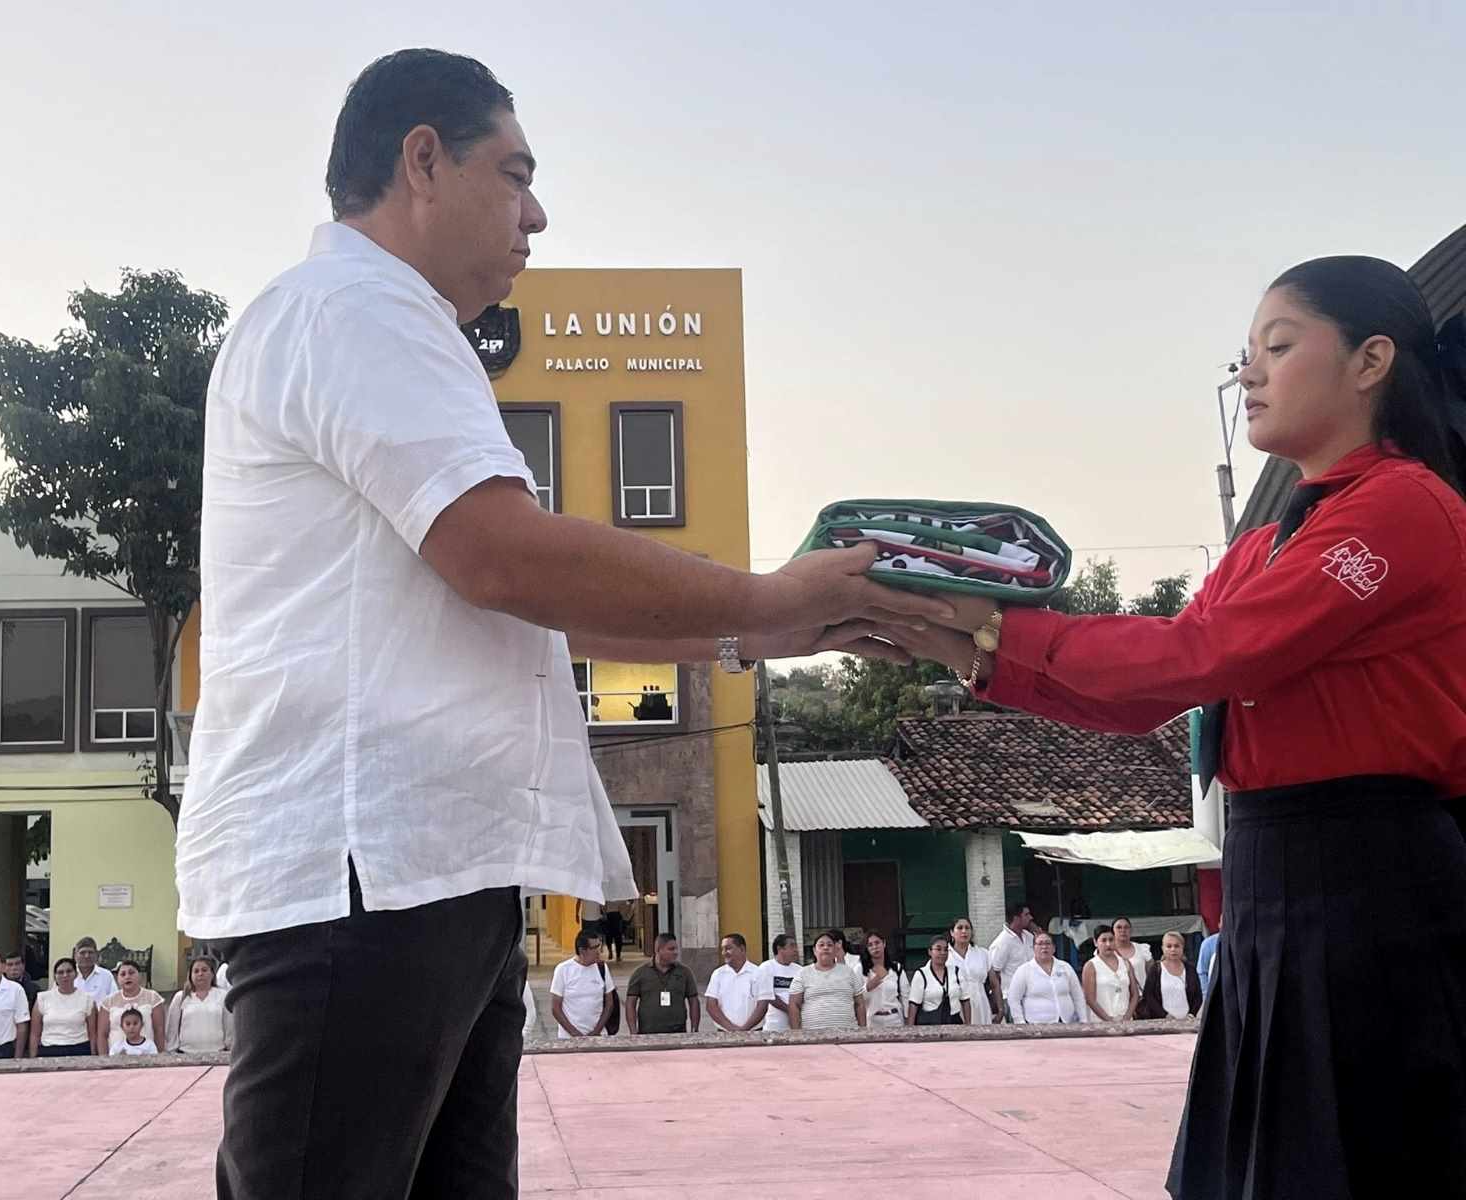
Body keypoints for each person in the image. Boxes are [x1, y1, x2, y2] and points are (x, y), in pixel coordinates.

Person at [174, 48, 951, 1200]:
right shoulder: (353, 310)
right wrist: (769, 601)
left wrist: (765, 630)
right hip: (364, 880)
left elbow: (519, 593)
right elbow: (503, 557)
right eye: (515, 173)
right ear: (422, 161)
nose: (536, 214)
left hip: (425, 878)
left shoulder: (384, 324)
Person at [885, 255, 1466, 1196]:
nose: (1249, 372)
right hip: (1273, 880)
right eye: (1247, 352)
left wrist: (989, 625)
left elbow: (1204, 654)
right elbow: (1151, 690)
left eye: (1279, 346)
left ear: (1371, 361)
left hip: (1371, 883)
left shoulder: (1404, 506)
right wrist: (962, 649)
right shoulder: (1263, 545)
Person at [624, 932, 699, 1035]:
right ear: (658, 950)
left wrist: (694, 1029)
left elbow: (693, 1001)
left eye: (676, 949)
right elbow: (630, 1003)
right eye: (671, 949)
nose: (676, 952)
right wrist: (633, 1031)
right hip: (648, 1033)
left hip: (678, 1032)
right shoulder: (640, 973)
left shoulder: (684, 972)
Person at [1005, 932, 1087, 1025]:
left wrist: (1083, 1020)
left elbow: (1078, 996)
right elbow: (1014, 999)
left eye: (1048, 943)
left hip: (1067, 1023)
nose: (1044, 947)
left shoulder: (1065, 967)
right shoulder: (1024, 970)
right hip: (1036, 1025)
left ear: (1054, 948)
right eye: (1040, 944)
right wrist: (1020, 1022)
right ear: (1033, 948)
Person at [789, 932, 865, 1030]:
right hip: (812, 1035)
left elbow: (860, 1004)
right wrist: (796, 1033)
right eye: (821, 945)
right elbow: (794, 1005)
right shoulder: (803, 973)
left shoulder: (849, 972)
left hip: (848, 1033)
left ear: (835, 950)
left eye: (829, 945)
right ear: (814, 950)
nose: (825, 948)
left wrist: (863, 1030)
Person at [549, 932, 614, 1039]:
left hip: (598, 1036)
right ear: (582, 950)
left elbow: (609, 1003)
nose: (599, 951)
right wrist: (576, 1035)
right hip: (569, 1038)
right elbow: (556, 1008)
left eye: (600, 946)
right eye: (594, 948)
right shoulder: (563, 970)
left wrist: (596, 1031)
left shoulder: (602, 968)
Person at [29, 957, 97, 1058]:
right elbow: (35, 1034)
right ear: (55, 976)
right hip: (49, 1050)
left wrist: (93, 1055)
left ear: (76, 974)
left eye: (69, 971)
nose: (65, 975)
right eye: (60, 972)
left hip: (79, 1049)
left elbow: (93, 1033)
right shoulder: (42, 998)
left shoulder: (87, 999)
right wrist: (32, 1059)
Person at [166, 955, 233, 1054]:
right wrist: (172, 1050)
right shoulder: (181, 997)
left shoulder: (223, 995)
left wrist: (229, 1049)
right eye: (196, 971)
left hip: (217, 1052)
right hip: (186, 1053)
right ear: (190, 975)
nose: (200, 974)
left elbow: (229, 1026)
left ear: (212, 974)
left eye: (204, 970)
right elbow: (172, 1028)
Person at [97, 961, 165, 1055]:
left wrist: (160, 1057)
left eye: (131, 973)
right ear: (117, 979)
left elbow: (159, 1030)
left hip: (147, 1055)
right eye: (123, 974)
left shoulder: (153, 998)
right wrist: (104, 1059)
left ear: (140, 976)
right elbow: (102, 1034)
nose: (127, 977)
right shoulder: (108, 1001)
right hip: (116, 1056)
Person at [948, 917, 1002, 1026]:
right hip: (956, 1006)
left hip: (980, 1004)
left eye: (967, 928)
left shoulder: (982, 954)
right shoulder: (946, 956)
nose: (964, 931)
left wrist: (1000, 1009)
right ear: (952, 933)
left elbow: (994, 984)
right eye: (960, 928)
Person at [1137, 932, 1202, 1021]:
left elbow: (1198, 996)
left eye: (1176, 946)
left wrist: (1191, 1014)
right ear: (1162, 948)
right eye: (1169, 946)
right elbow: (1149, 995)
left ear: (1182, 947)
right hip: (1161, 1022)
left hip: (1187, 1022)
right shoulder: (1156, 969)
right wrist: (1164, 1015)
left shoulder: (1190, 969)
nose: (1173, 949)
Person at [705, 933, 763, 1033]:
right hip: (724, 1033)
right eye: (722, 949)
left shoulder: (758, 973)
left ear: (742, 949)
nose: (724, 953)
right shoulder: (718, 974)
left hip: (754, 1033)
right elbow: (711, 1005)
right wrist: (731, 1028)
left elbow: (762, 1005)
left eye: (728, 948)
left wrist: (744, 1029)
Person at [1081, 925, 1139, 1023]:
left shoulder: (1125, 963)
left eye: (1111, 940)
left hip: (1126, 1021)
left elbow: (1135, 994)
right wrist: (1109, 1020)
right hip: (1101, 1022)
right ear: (1095, 942)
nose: (1108, 944)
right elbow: (1090, 999)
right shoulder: (1091, 966)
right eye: (1103, 940)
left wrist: (1127, 1017)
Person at [907, 934, 970, 1025]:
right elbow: (913, 1004)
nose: (943, 953)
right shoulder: (921, 974)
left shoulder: (956, 972)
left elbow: (965, 1000)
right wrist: (911, 1028)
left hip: (954, 1022)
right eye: (938, 949)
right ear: (930, 951)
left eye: (945, 949)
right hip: (930, 1023)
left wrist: (968, 1025)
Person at [860, 930, 909, 1027]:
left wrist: (908, 1019)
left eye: (877, 943)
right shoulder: (860, 969)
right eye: (870, 945)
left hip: (895, 1019)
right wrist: (869, 986)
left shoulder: (896, 968)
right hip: (872, 1021)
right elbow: (856, 997)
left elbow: (905, 996)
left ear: (884, 943)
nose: (875, 947)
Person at [753, 934, 802, 1032]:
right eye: (792, 946)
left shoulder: (800, 970)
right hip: (773, 1025)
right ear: (780, 948)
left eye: (796, 946)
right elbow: (769, 995)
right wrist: (790, 1010)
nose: (796, 950)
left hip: (797, 1024)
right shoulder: (766, 967)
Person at [72, 938, 116, 1004]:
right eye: (82, 953)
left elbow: (115, 1000)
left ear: (96, 955)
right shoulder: (67, 974)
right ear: (75, 955)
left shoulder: (106, 975)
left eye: (90, 952)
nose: (87, 956)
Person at [1196, 920, 1222, 1004]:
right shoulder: (1208, 943)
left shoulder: (1243, 942)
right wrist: (1207, 994)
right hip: (1214, 994)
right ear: (1219, 925)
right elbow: (1202, 972)